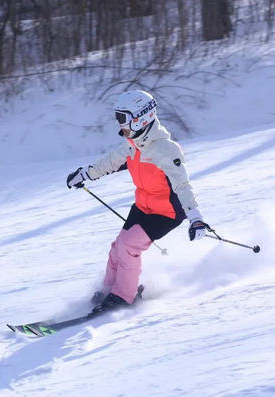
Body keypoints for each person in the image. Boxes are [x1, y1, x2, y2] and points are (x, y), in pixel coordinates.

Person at [66, 90, 208, 315]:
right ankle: (109, 291)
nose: (118, 123)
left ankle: (124, 296)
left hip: (166, 212)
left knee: (129, 246)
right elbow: (110, 162)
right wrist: (85, 174)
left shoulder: (166, 150)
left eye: (122, 118)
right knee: (117, 248)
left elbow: (183, 186)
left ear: (141, 117)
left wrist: (196, 219)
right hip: (143, 206)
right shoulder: (133, 144)